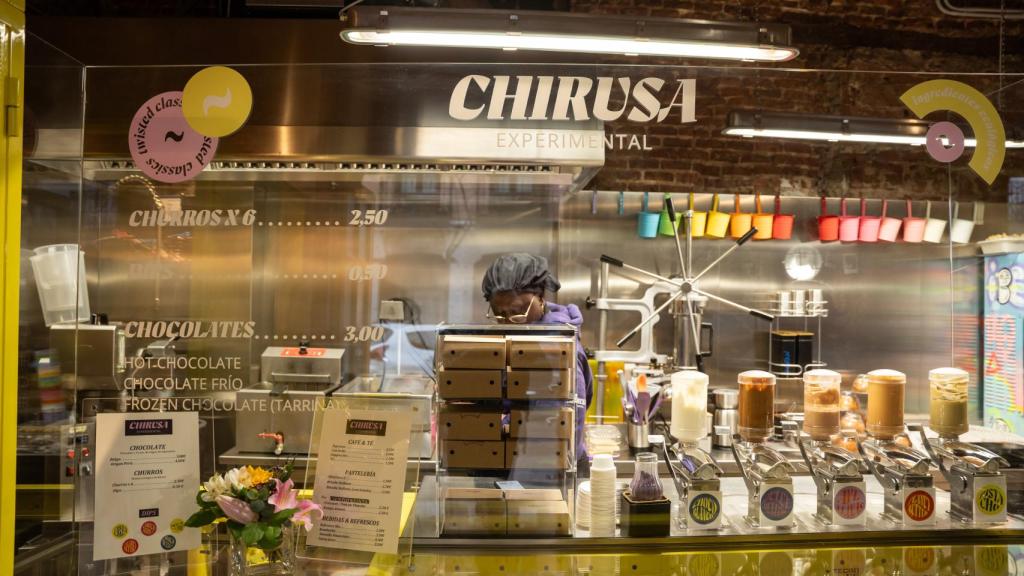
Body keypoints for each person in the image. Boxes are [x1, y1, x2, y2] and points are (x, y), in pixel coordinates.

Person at [481, 253, 593, 467]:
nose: (509, 321)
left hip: (549, 464)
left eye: (517, 311)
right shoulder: (516, 336)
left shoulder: (556, 348)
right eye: (499, 313)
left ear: (540, 299)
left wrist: (502, 424)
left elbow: (559, 421)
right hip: (516, 457)